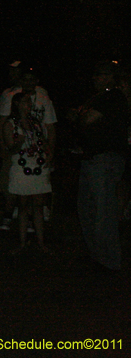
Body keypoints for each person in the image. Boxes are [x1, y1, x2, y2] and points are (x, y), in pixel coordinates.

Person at [76, 61, 129, 272]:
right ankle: (97, 255)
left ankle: (109, 260)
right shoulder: (99, 98)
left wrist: (79, 116)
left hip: (105, 160)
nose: (95, 78)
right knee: (87, 208)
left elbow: (88, 119)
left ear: (110, 77)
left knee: (103, 211)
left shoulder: (113, 97)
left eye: (100, 74)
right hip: (92, 158)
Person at [0, 64, 56, 231]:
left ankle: (31, 220)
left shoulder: (44, 99)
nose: (28, 83)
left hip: (36, 152)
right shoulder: (10, 96)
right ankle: (8, 215)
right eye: (25, 79)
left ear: (37, 81)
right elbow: (1, 121)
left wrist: (50, 153)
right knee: (10, 186)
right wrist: (3, 147)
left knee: (35, 190)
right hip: (14, 150)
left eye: (32, 80)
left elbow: (50, 128)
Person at [3, 92, 53, 253]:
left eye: (30, 102)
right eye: (25, 101)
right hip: (21, 167)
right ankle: (22, 242)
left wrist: (49, 156)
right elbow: (11, 148)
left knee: (39, 206)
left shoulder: (36, 123)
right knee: (23, 206)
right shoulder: (10, 124)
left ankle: (41, 242)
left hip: (38, 166)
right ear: (16, 104)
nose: (29, 105)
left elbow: (44, 143)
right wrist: (19, 143)